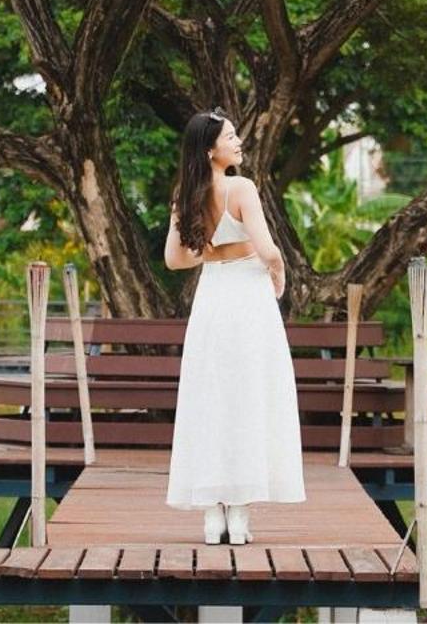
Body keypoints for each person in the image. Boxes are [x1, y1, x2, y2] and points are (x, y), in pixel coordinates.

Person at [162, 107, 306, 544]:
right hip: (247, 297)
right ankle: (240, 517)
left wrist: (211, 252)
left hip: (212, 299)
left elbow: (174, 260)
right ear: (211, 149)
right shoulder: (241, 187)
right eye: (230, 136)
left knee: (211, 399)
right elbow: (269, 249)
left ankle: (212, 515)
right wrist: (278, 275)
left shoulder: (185, 194)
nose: (238, 140)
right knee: (248, 398)